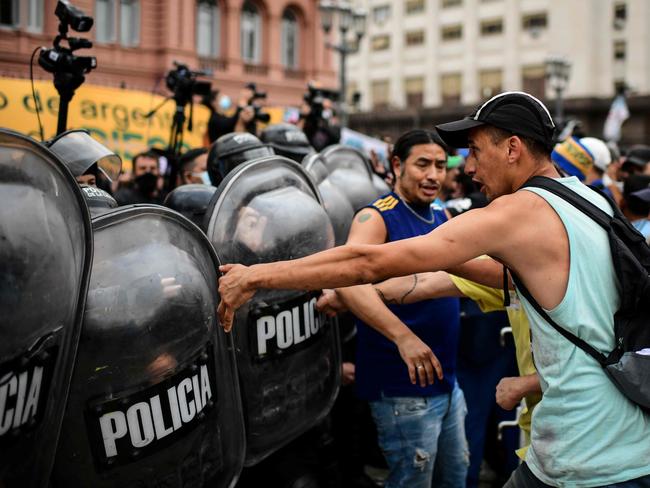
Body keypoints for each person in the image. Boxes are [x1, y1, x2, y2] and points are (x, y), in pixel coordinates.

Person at [218, 91, 650, 487]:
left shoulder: (519, 211)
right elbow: (519, 282)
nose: (468, 168)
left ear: (513, 148)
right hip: (616, 441)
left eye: (476, 152)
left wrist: (255, 277)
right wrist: (434, 266)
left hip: (591, 458)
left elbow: (366, 260)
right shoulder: (591, 200)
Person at [332, 129, 467, 488]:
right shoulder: (375, 217)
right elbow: (347, 281)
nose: (433, 175)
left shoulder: (441, 213)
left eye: (440, 165)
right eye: (422, 164)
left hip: (447, 381)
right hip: (402, 388)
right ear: (396, 165)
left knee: (455, 477)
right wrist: (403, 337)